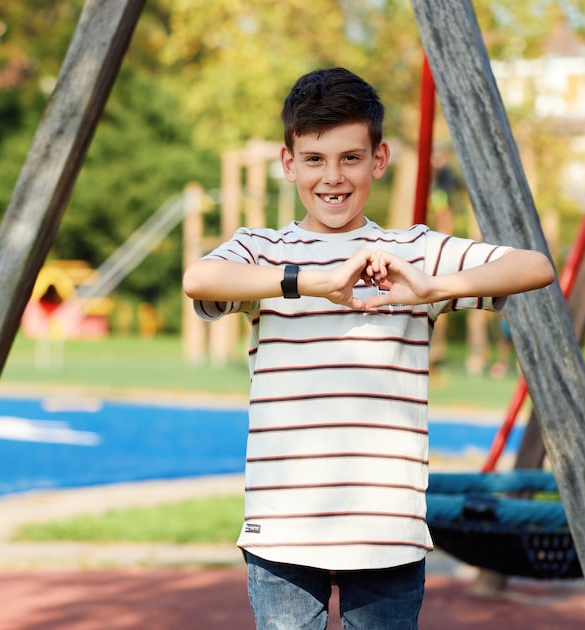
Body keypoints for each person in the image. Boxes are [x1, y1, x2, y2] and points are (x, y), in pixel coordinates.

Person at [181, 67, 555, 629]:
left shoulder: (411, 250)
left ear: (378, 161)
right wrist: (309, 282)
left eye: (351, 158)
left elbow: (535, 267)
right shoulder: (264, 251)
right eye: (314, 159)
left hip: (387, 530)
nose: (332, 176)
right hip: (283, 527)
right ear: (289, 164)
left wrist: (434, 288)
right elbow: (199, 280)